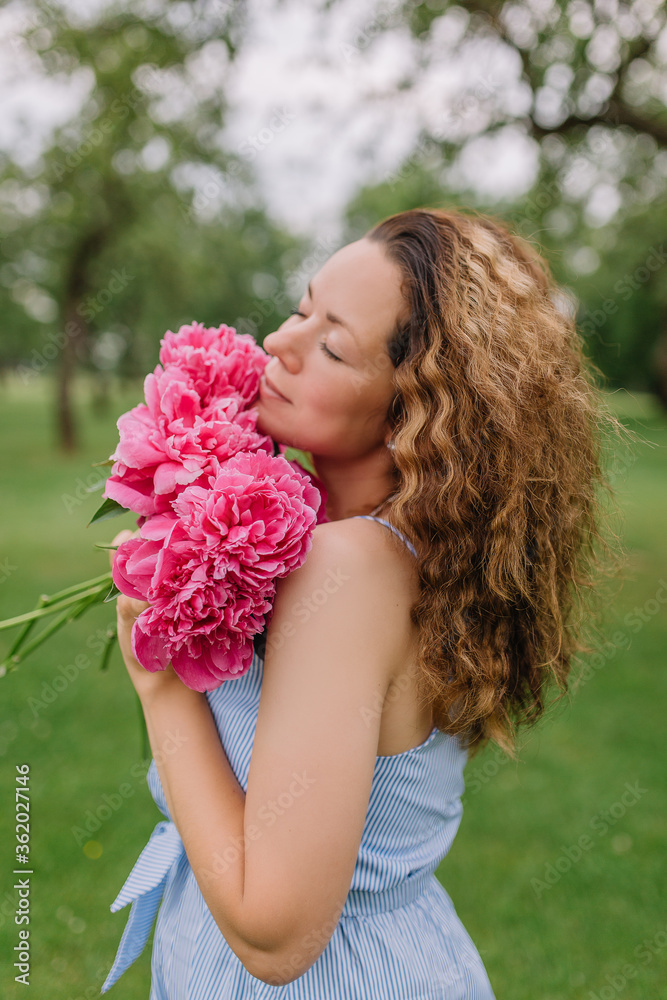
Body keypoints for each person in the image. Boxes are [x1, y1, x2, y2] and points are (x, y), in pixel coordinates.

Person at [100, 207, 626, 998]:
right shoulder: (415, 551)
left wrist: (162, 683)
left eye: (332, 344)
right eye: (303, 306)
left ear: (414, 407)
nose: (280, 341)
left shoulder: (346, 570)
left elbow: (276, 936)